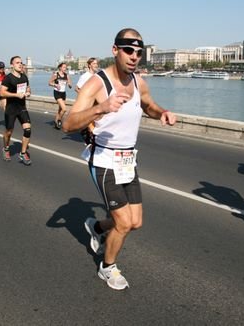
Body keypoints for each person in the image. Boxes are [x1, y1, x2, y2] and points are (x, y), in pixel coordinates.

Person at [62, 28, 177, 290]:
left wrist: (162, 113)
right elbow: (68, 123)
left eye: (139, 52)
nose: (134, 56)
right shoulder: (97, 83)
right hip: (103, 160)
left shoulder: (138, 82)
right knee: (124, 223)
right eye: (128, 50)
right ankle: (107, 267)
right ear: (115, 50)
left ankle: (97, 226)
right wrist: (101, 107)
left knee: (135, 222)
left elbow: (148, 105)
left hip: (128, 161)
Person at [0, 56, 32, 165]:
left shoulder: (24, 77)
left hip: (22, 108)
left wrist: (28, 92)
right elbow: (2, 93)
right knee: (9, 132)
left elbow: (28, 88)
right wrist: (16, 95)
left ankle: (23, 153)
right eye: (17, 62)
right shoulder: (8, 78)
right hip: (11, 108)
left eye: (21, 63)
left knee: (28, 129)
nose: (20, 64)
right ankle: (6, 148)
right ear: (12, 65)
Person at [49, 62, 72, 129]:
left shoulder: (66, 75)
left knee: (60, 109)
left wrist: (69, 85)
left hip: (63, 93)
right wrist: (55, 85)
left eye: (66, 67)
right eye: (64, 67)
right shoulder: (56, 74)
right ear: (60, 68)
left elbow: (69, 83)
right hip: (57, 93)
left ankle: (56, 121)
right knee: (64, 109)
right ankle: (59, 120)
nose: (65, 68)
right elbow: (49, 83)